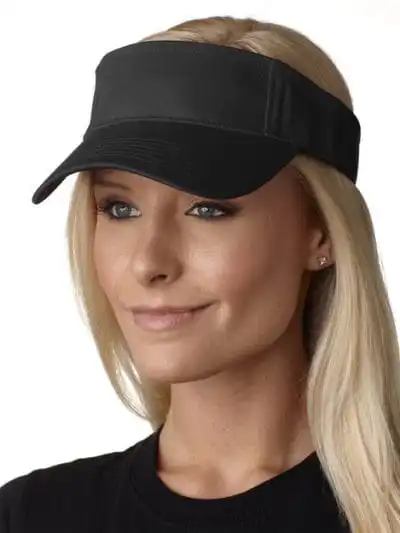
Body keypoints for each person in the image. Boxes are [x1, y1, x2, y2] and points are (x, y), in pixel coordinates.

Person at [1, 14, 399, 533]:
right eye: (120, 208)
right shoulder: (31, 517)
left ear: (321, 232)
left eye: (207, 209)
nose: (148, 263)